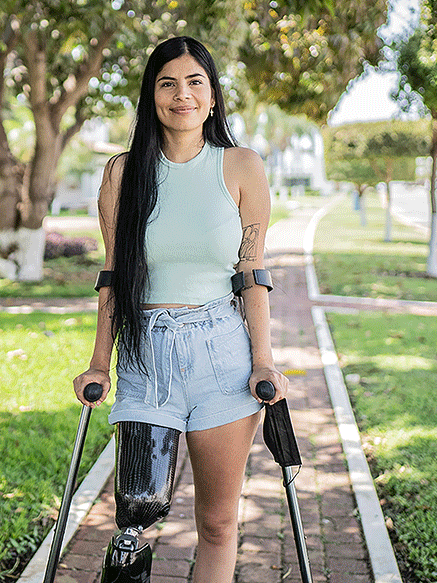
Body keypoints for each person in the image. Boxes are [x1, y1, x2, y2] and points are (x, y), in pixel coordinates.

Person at [73, 36, 288, 583]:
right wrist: (100, 362)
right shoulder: (123, 174)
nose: (182, 94)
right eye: (167, 83)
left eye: (195, 82)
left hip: (222, 356)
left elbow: (251, 273)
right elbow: (114, 276)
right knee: (137, 516)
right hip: (146, 357)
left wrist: (263, 361)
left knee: (217, 523)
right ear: (151, 97)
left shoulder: (241, 166)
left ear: (213, 97)